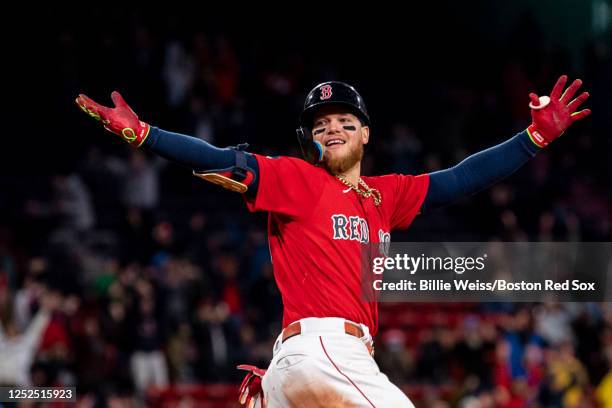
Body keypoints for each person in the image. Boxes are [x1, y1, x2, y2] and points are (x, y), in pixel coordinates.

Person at [76, 76, 590, 407]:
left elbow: (461, 179)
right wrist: (145, 134)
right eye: (323, 125)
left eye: (347, 121)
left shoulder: (385, 196)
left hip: (308, 370)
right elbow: (221, 160)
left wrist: (533, 139)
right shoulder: (301, 180)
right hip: (323, 349)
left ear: (367, 134)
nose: (335, 128)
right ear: (310, 141)